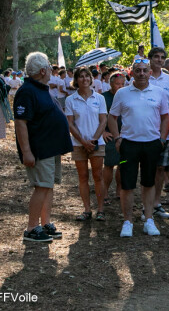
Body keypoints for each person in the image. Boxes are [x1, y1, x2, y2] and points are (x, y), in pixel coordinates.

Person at [108, 59, 169, 238]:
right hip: (128, 145)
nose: (141, 73)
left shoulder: (159, 92)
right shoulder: (122, 93)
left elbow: (165, 117)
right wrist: (117, 138)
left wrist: (162, 139)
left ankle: (148, 219)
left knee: (149, 182)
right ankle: (127, 221)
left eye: (144, 70)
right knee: (127, 183)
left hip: (152, 144)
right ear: (132, 73)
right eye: (138, 70)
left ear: (150, 73)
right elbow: (112, 117)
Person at [15, 52, 72, 242]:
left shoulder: (41, 89)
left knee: (48, 186)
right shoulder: (27, 91)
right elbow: (21, 123)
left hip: (51, 147)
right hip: (40, 149)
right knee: (41, 186)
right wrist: (26, 152)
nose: (50, 70)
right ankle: (32, 228)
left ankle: (45, 222)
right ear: (42, 71)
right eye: (48, 67)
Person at [65, 67, 108, 222]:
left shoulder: (99, 98)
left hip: (97, 143)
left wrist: (94, 140)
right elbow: (70, 123)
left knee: (98, 176)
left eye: (87, 76)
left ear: (91, 79)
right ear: (76, 80)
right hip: (79, 144)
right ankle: (87, 210)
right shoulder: (70, 100)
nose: (84, 79)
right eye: (81, 76)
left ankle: (100, 209)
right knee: (83, 177)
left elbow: (103, 120)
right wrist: (83, 141)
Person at [147, 47, 169, 218]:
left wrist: (167, 126)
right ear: (150, 58)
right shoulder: (142, 76)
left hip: (166, 132)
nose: (159, 60)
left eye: (162, 57)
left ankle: (156, 203)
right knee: (148, 168)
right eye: (156, 57)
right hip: (147, 131)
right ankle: (147, 205)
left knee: (161, 167)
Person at [101, 72, 124, 206]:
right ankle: (104, 192)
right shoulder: (103, 97)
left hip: (125, 136)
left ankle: (119, 190)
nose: (120, 86)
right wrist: (103, 132)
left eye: (122, 84)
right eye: (117, 84)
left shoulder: (126, 95)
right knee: (109, 165)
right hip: (110, 137)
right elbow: (98, 116)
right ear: (110, 84)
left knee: (123, 163)